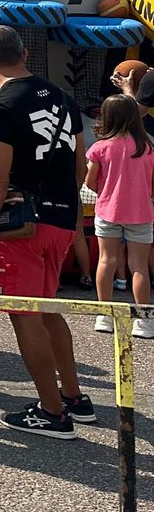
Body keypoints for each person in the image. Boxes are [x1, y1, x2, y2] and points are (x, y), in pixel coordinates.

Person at [0, 24, 92, 439]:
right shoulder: (63, 98)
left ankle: (52, 413)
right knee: (48, 307)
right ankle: (74, 396)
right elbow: (80, 168)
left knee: (25, 317)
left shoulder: (0, 106)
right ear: (25, 53)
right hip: (62, 220)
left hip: (21, 227)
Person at [86, 95, 154, 337]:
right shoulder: (147, 147)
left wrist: (106, 191)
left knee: (107, 261)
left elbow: (90, 182)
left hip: (108, 211)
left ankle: (104, 316)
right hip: (140, 213)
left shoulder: (100, 148)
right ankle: (143, 321)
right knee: (139, 266)